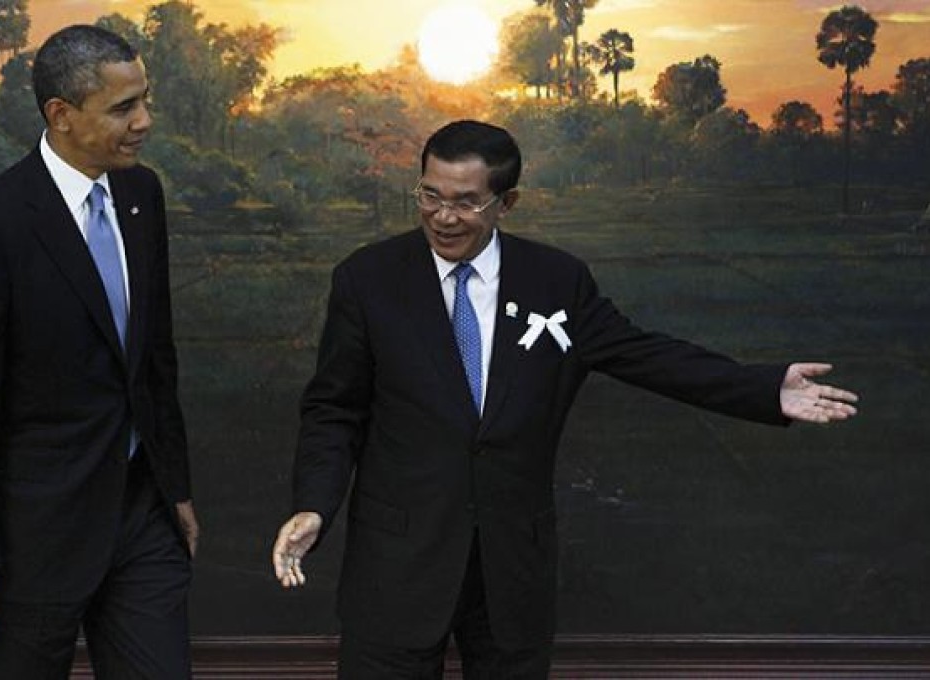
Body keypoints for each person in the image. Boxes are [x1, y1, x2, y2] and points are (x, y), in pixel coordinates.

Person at [271, 119, 859, 679]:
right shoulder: (367, 278)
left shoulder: (556, 281)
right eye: (430, 195)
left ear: (506, 202)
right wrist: (315, 504)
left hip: (512, 571)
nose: (443, 217)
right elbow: (334, 409)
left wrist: (762, 389)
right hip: (396, 566)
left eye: (466, 202)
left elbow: (645, 355)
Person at [0, 25, 197, 679]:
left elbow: (154, 357)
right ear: (61, 115)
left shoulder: (142, 194)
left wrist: (175, 488)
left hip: (141, 518)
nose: (144, 120)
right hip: (32, 539)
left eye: (145, 99)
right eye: (123, 108)